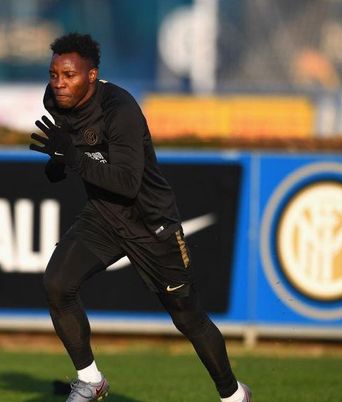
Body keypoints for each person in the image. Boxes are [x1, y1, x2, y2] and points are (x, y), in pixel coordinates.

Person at [29, 33, 251, 402]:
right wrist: (59, 162)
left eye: (69, 75)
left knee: (187, 317)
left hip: (150, 222)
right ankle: (91, 381)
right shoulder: (55, 101)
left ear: (92, 75)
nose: (59, 83)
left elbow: (128, 184)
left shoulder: (121, 110)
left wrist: (73, 158)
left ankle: (233, 395)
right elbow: (74, 152)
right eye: (54, 74)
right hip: (103, 216)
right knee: (57, 284)